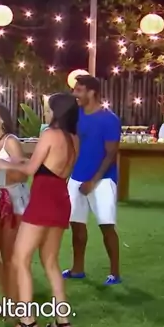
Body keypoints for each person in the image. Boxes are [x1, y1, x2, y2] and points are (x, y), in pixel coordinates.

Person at [0, 93, 79, 327]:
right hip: (61, 199)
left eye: (48, 108)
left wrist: (6, 165)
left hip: (43, 200)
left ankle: (27, 322)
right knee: (50, 261)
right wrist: (21, 160)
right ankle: (62, 321)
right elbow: (47, 165)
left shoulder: (49, 134)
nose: (46, 112)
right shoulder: (74, 138)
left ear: (57, 111)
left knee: (20, 258)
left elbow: (32, 169)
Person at [63, 75, 122, 285]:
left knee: (106, 226)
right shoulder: (75, 116)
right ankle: (77, 269)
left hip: (103, 180)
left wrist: (93, 181)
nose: (75, 94)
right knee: (77, 226)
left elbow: (111, 154)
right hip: (76, 177)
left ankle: (114, 273)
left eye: (79, 90)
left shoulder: (109, 119)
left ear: (92, 92)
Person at [0, 101, 29, 302]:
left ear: (2, 119)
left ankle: (14, 304)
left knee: (9, 256)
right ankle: (9, 296)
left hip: (14, 200)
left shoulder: (10, 141)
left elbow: (23, 175)